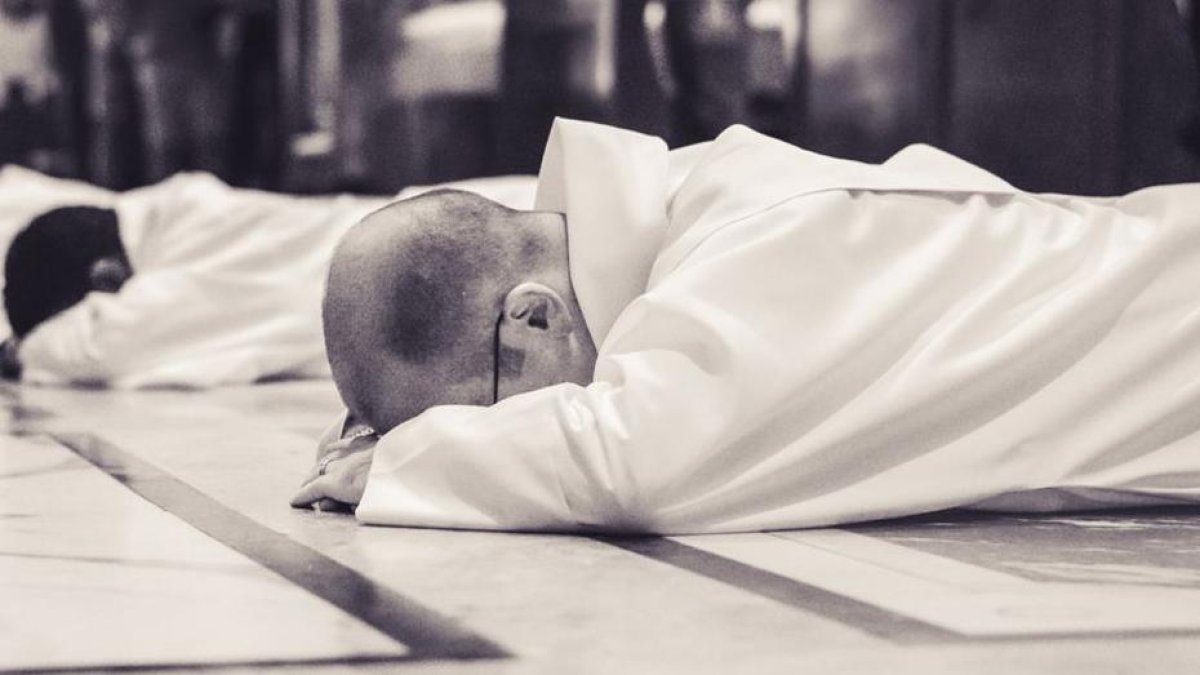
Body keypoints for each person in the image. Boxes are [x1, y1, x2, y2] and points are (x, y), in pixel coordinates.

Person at [292, 117, 1200, 533]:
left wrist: (402, 465)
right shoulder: (680, 224)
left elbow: (640, 465)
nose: (488, 429)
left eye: (480, 410)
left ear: (533, 315)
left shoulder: (760, 237)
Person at [0, 165, 537, 388]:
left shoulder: (194, 255)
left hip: (480, 243)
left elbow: (106, 344)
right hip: (476, 231)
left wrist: (21, 352)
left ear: (106, 279)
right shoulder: (169, 218)